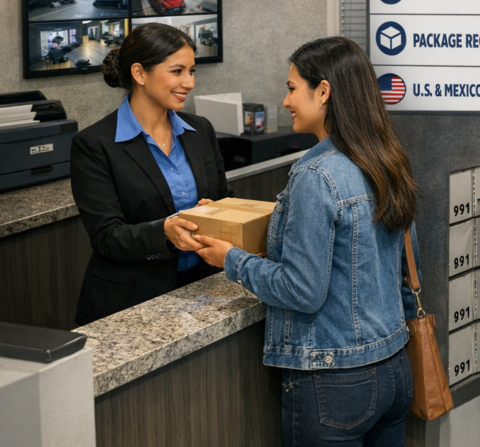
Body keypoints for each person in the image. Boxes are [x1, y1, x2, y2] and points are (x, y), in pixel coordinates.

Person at [194, 37, 420, 447]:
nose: (285, 101)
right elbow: (402, 264)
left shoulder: (315, 174)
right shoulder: (387, 157)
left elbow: (302, 290)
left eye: (292, 87)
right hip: (394, 368)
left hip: (335, 381)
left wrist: (233, 259)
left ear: (324, 91)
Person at [71, 23, 229, 325]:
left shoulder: (200, 130)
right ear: (139, 73)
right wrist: (164, 233)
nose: (189, 82)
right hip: (131, 301)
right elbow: (106, 236)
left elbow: (223, 198)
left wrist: (221, 212)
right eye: (177, 71)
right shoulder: (94, 144)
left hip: (203, 288)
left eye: (192, 71)